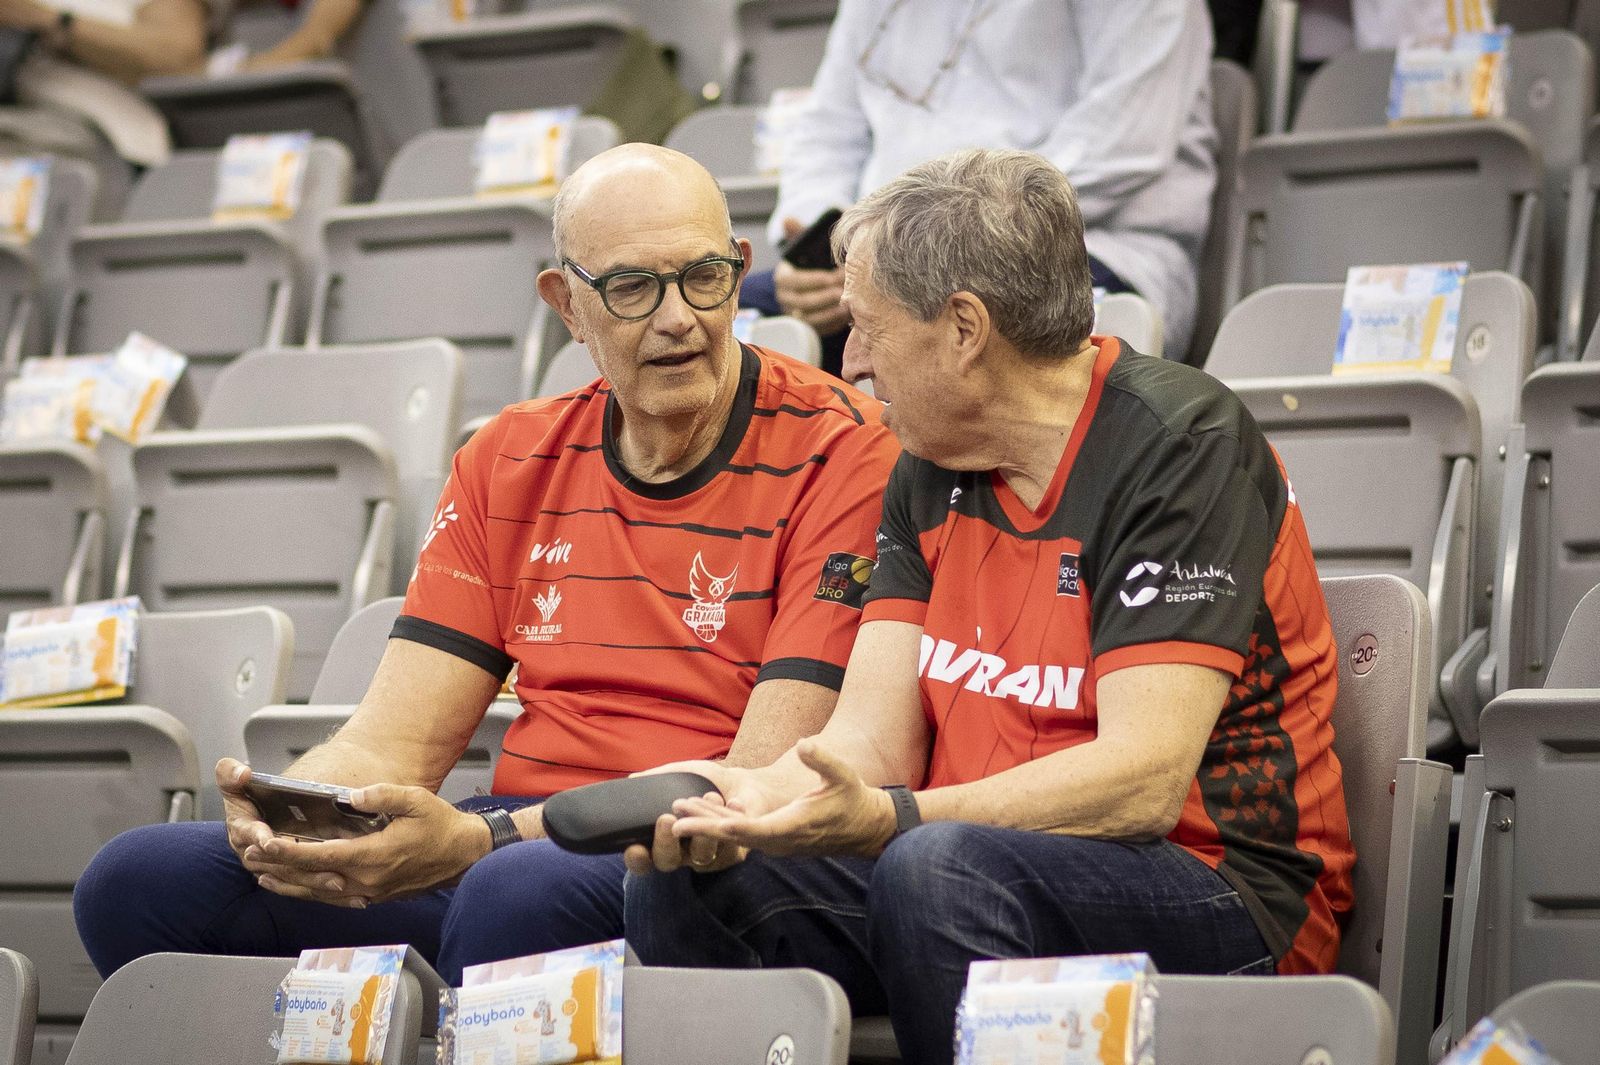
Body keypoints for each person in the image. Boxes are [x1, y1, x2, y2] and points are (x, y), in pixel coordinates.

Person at [74, 143, 900, 984]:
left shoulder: (845, 452)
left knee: (512, 893)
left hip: (673, 856)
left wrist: (485, 839)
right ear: (567, 305)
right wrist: (304, 816)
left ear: (740, 271)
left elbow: (757, 779)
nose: (678, 316)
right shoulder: (507, 456)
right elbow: (393, 740)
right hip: (507, 843)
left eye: (703, 278)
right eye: (632, 287)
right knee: (137, 881)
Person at [626, 148, 1355, 1065]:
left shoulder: (1182, 446)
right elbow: (873, 744)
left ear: (964, 328)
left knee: (936, 869)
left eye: (866, 327)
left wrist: (899, 820)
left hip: (1219, 889)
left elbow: (1142, 781)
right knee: (693, 876)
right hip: (962, 868)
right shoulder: (926, 463)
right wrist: (739, 798)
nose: (852, 362)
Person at [743, 0, 1217, 366]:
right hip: (884, 256)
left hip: (1072, 248)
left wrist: (908, 246)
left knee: (945, 321)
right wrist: (827, 250)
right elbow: (827, 130)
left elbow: (1119, 148)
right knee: (720, 316)